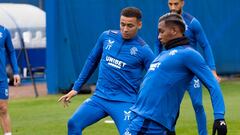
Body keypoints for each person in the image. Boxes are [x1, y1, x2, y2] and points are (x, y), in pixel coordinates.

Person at [125, 13, 227, 135]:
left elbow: (213, 85)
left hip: (149, 121)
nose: (158, 36)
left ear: (174, 30)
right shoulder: (162, 55)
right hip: (140, 117)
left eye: (161, 32)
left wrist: (219, 117)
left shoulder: (189, 54)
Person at [58, 7, 155, 135]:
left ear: (139, 25)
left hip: (125, 102)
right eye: (122, 24)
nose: (125, 29)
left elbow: (155, 77)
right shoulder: (106, 36)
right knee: (73, 123)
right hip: (99, 98)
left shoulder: (144, 50)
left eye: (130, 26)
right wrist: (76, 87)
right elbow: (91, 61)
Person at [154, 0, 221, 134]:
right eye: (170, 4)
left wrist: (212, 69)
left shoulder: (193, 22)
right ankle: (170, 131)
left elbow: (205, 45)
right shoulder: (164, 23)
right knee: (170, 106)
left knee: (198, 104)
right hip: (172, 72)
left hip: (192, 72)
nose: (173, 7)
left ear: (183, 3)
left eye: (176, 4)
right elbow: (157, 45)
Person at [0, 25, 21, 135]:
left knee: (3, 108)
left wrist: (16, 72)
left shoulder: (4, 31)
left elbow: (11, 51)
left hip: (1, 78)